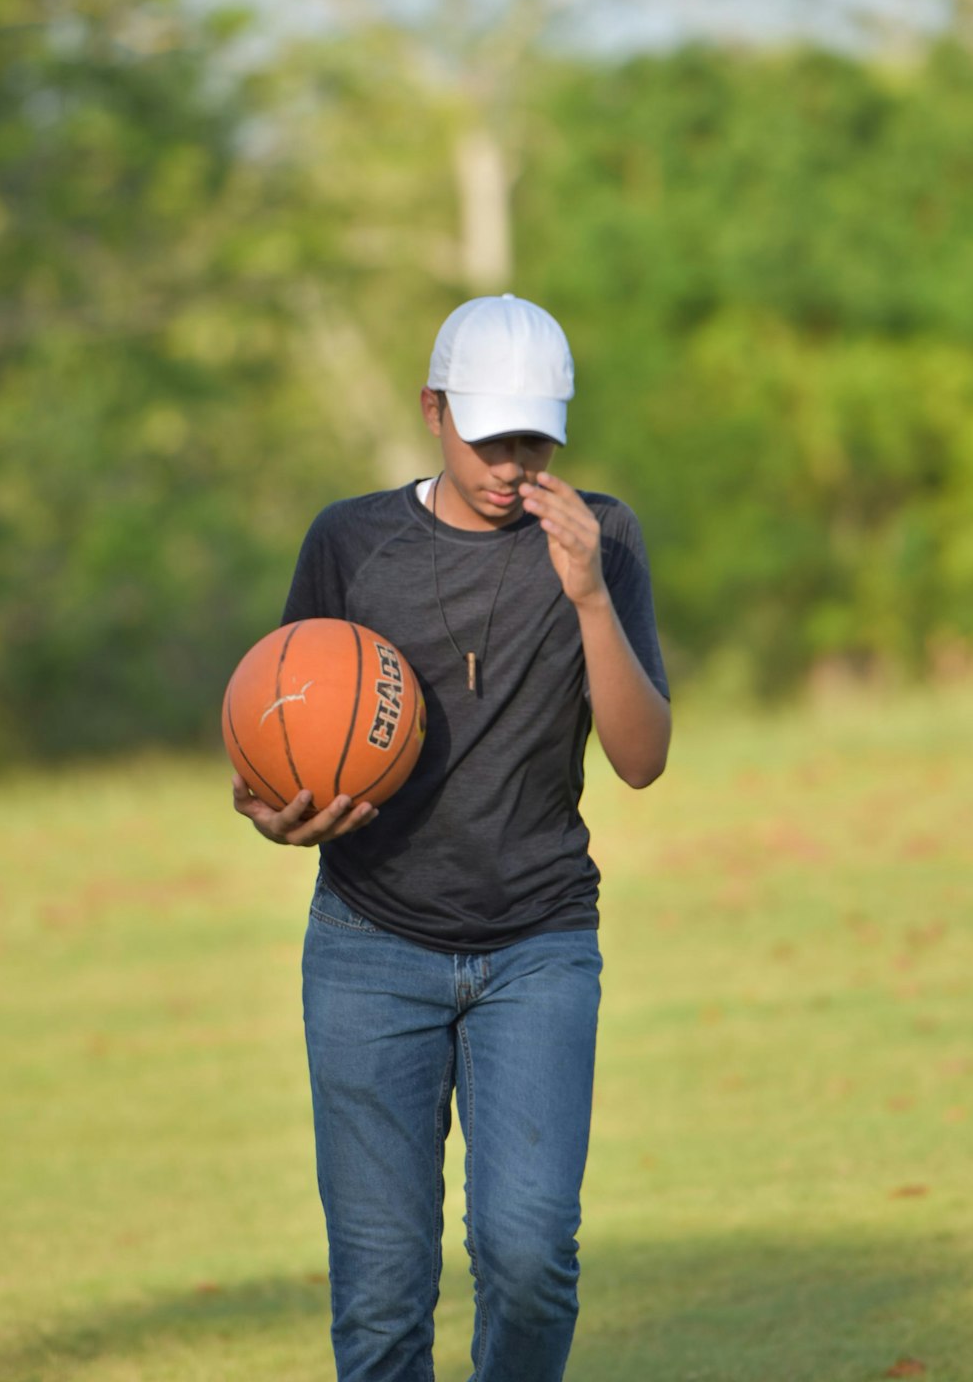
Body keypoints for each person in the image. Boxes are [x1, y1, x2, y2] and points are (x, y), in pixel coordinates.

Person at [231, 293, 671, 1382]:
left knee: (529, 1256)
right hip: (371, 947)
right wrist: (268, 806)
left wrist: (587, 599)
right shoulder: (351, 541)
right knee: (381, 1298)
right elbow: (281, 730)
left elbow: (643, 754)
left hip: (539, 947)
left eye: (535, 438)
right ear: (434, 410)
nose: (514, 464)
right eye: (490, 437)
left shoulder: (601, 536)